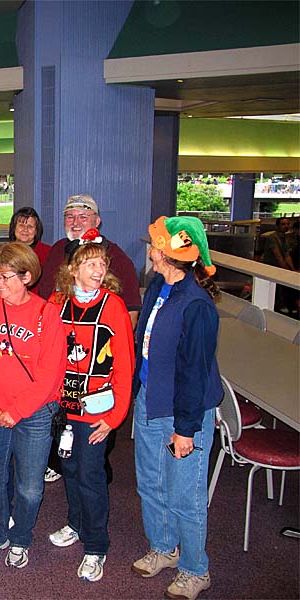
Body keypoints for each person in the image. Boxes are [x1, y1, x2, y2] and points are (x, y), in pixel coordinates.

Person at [132, 216, 222, 600]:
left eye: (154, 245)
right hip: (150, 402)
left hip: (183, 414)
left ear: (169, 254)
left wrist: (186, 429)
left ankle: (194, 569)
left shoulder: (197, 305)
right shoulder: (158, 286)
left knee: (185, 494)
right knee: (151, 484)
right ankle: (164, 548)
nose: (149, 250)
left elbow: (195, 374)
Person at [0, 242, 66, 570]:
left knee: (30, 486)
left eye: (6, 277)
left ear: (27, 276)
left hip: (34, 415)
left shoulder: (46, 314)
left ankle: (21, 536)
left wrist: (16, 411)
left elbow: (51, 374)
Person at [46, 229, 134, 582]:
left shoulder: (112, 306)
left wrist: (114, 419)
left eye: (103, 264)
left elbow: (125, 367)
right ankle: (75, 523)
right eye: (92, 263)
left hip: (98, 411)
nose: (99, 270)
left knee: (91, 477)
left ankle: (96, 546)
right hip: (63, 407)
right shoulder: (56, 303)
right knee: (69, 469)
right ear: (73, 268)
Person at [37, 194, 141, 325]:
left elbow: (131, 313)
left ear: (97, 221)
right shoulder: (57, 250)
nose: (75, 223)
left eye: (83, 217)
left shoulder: (116, 257)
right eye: (70, 217)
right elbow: (43, 298)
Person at [9, 206, 51, 271]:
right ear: (14, 228)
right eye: (21, 225)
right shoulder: (6, 252)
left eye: (30, 226)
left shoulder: (49, 253)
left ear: (36, 231)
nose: (25, 229)